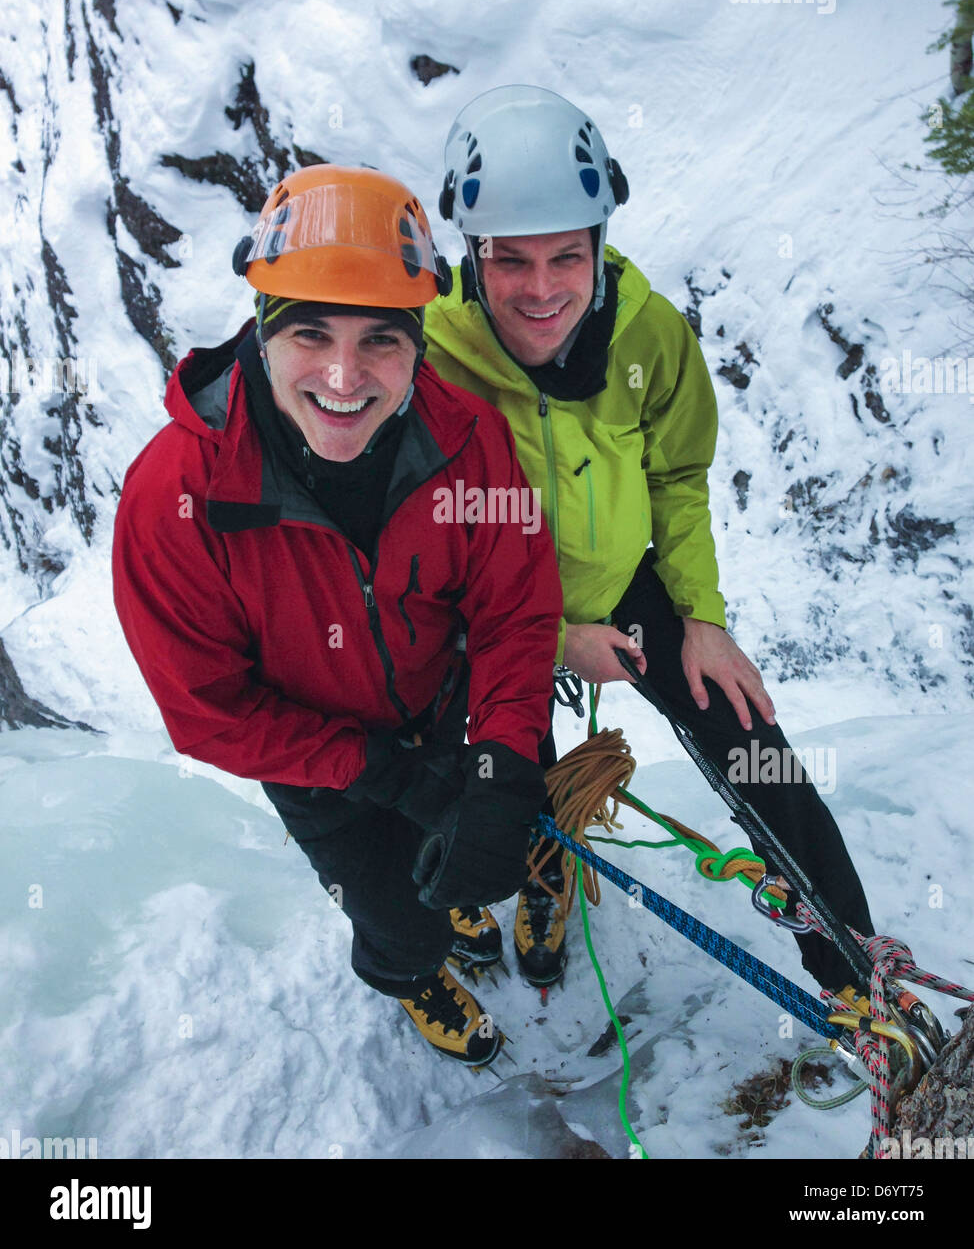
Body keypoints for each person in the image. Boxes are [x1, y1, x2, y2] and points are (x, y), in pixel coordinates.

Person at [424, 85, 875, 1003]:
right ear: (472, 254)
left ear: (599, 246)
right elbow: (409, 534)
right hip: (488, 603)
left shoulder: (649, 333)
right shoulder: (431, 351)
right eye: (510, 261)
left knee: (758, 753)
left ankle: (857, 981)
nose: (541, 289)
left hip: (625, 580)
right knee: (494, 771)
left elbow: (675, 475)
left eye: (566, 257)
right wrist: (550, 641)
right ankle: (525, 879)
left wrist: (700, 617)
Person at [112, 163, 563, 1068]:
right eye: (311, 333)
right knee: (398, 919)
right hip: (313, 763)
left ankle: (458, 894)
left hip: (449, 711)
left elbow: (514, 607)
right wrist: (378, 773)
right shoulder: (178, 496)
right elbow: (209, 710)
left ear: (419, 343)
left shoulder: (468, 440)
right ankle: (415, 973)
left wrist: (502, 758)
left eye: (382, 342)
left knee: (476, 842)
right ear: (263, 331)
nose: (345, 376)